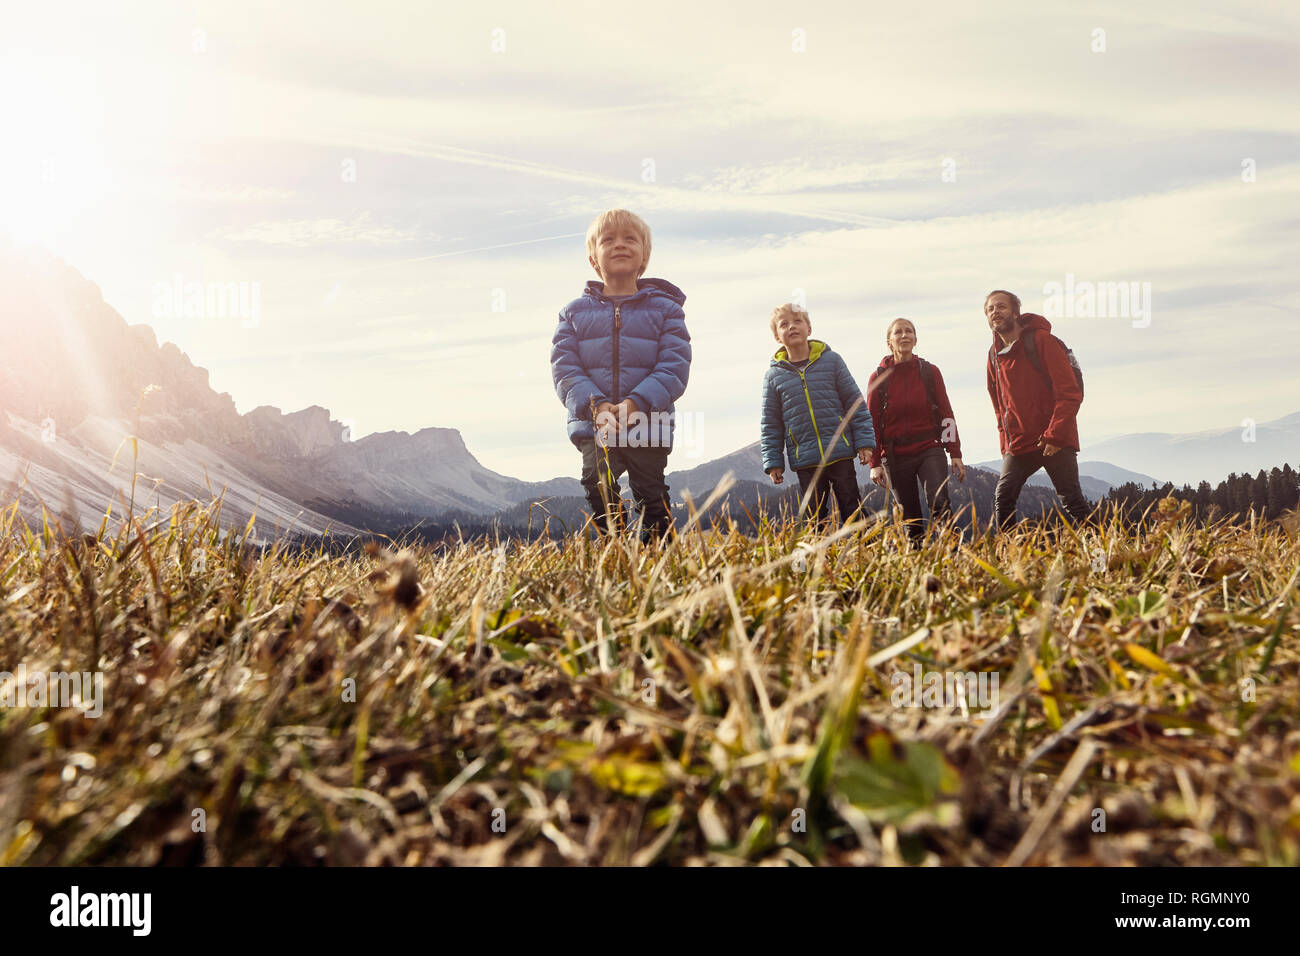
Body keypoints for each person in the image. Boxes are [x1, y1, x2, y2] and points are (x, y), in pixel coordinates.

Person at [550, 209, 691, 542]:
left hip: (647, 417)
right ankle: (614, 548)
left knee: (650, 493)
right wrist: (594, 405)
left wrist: (637, 402)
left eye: (630, 238)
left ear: (644, 256)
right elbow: (564, 367)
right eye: (608, 239)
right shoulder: (573, 313)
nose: (620, 245)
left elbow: (675, 365)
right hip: (595, 419)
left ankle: (658, 561)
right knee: (596, 484)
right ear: (593, 259)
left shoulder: (666, 310)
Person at [984, 289, 1092, 530]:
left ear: (1015, 312)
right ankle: (1011, 563)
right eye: (990, 309)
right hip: (1019, 444)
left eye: (1001, 307)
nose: (995, 312)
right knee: (1003, 499)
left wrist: (1055, 434)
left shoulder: (1042, 341)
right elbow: (999, 407)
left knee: (1073, 503)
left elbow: (1070, 392)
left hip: (1052, 440)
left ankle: (1106, 559)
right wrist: (1006, 445)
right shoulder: (993, 356)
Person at [760, 303, 876, 528]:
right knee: (814, 517)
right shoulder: (773, 376)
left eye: (798, 321)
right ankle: (818, 561)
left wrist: (864, 443)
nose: (792, 326)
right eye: (784, 324)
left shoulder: (832, 361)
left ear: (809, 329)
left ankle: (864, 554)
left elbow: (855, 404)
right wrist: (774, 461)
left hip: (840, 452)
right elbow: (771, 424)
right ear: (777, 336)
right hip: (805, 459)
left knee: (852, 507)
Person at [866, 318, 965, 546]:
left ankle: (952, 556)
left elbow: (945, 413)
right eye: (898, 332)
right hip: (894, 454)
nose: (904, 336)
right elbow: (871, 422)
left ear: (915, 339)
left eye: (909, 331)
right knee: (909, 515)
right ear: (889, 342)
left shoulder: (930, 372)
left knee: (939, 502)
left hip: (929, 448)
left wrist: (955, 452)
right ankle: (917, 561)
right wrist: (875, 464)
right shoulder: (878, 378)